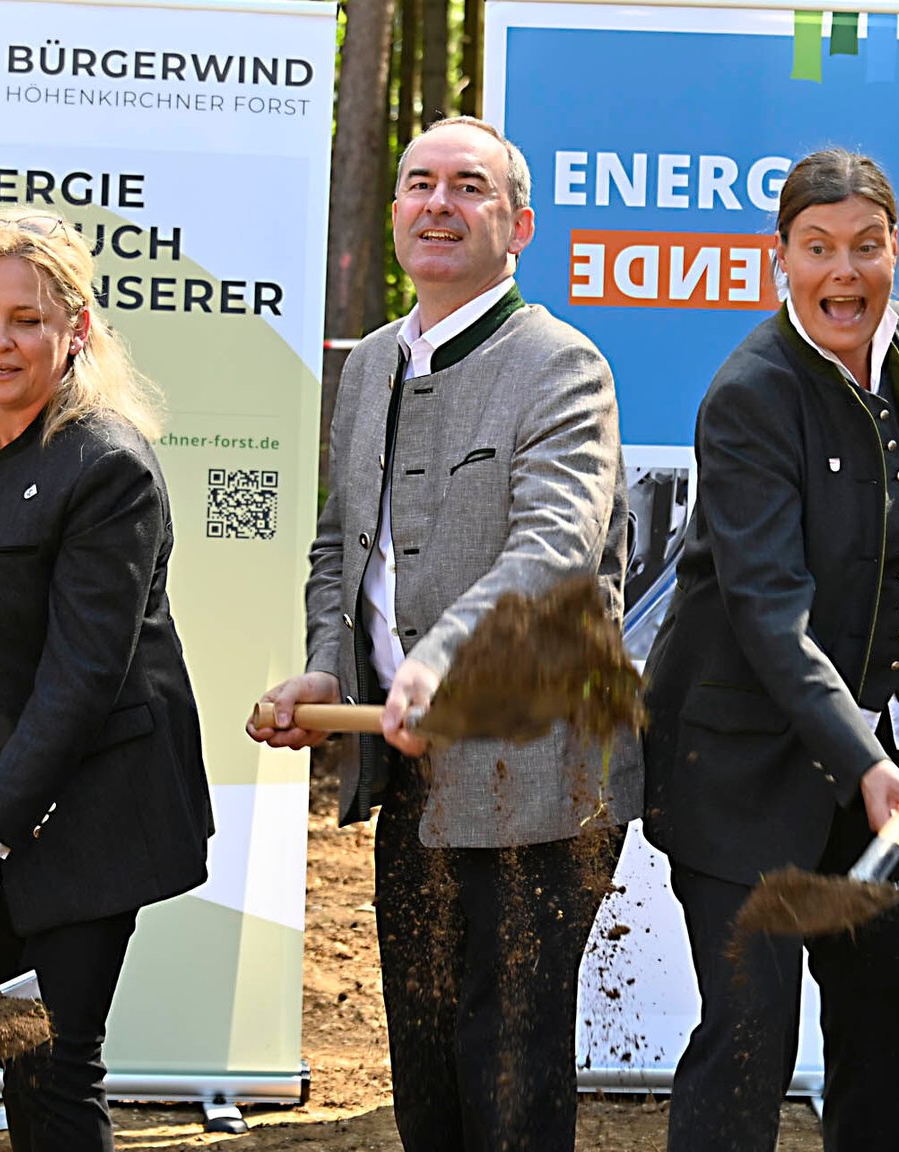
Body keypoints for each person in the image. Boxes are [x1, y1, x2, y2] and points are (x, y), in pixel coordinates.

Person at [248, 116, 638, 1152]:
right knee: (425, 1071)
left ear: (518, 228)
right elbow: (343, 549)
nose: (437, 203)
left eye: (468, 188)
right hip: (410, 775)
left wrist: (434, 660)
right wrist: (323, 675)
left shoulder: (562, 367)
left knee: (507, 1073)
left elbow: (553, 552)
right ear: (392, 215)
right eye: (419, 183)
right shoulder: (369, 364)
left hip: (540, 780)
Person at [639, 148, 899, 1151]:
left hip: (885, 763)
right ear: (779, 259)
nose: (843, 273)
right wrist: (863, 764)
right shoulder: (750, 396)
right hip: (743, 769)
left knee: (883, 1027)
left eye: (865, 247)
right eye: (816, 249)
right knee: (750, 1037)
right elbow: (770, 613)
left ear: (894, 251)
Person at [0, 207, 212, 1151]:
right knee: (24, 1069)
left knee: (57, 1064)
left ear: (74, 327)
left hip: (87, 809)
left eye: (26, 318)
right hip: (0, 796)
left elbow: (84, 675)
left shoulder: (106, 466)